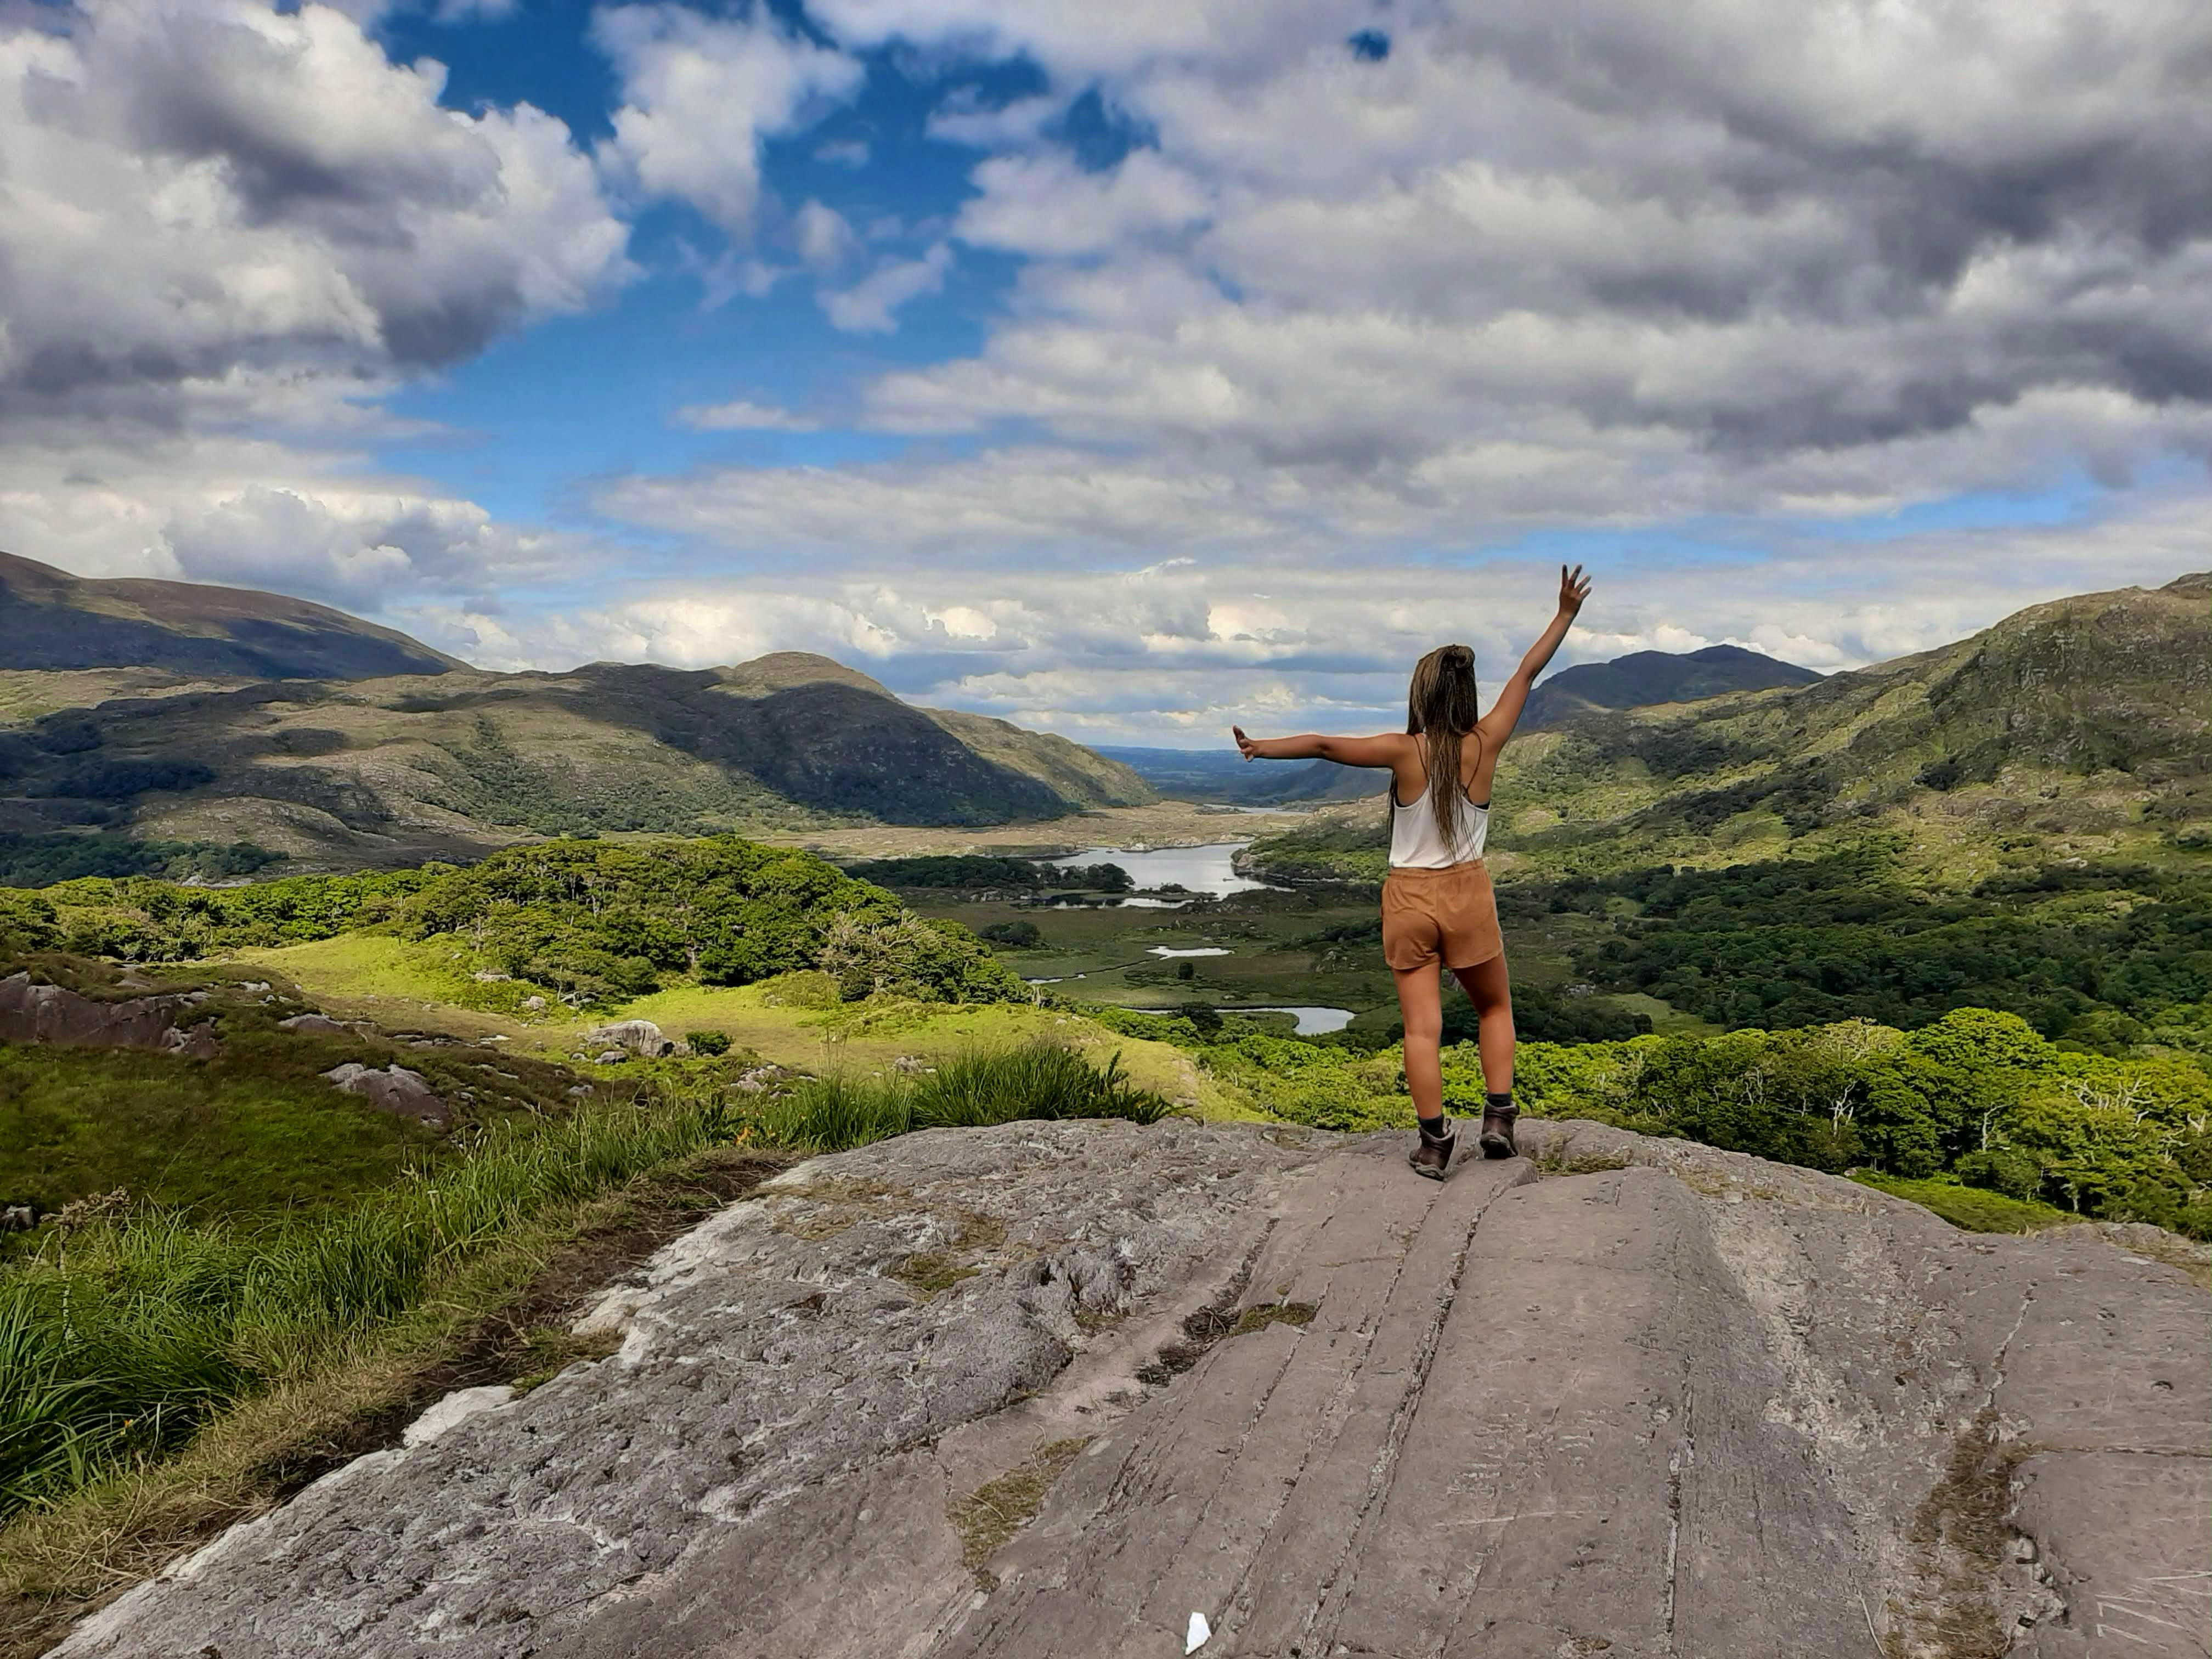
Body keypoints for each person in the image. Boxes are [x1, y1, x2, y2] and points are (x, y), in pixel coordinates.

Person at [1233, 564, 1593, 1178]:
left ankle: (1433, 1146)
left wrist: (1260, 747)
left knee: (1421, 1030)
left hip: (1408, 900)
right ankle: (1499, 1120)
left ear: (1421, 696)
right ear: (1466, 695)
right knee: (1494, 1010)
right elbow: (1527, 672)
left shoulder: (1405, 752)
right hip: (1468, 891)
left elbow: (1323, 744)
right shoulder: (1488, 742)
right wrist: (1563, 614)